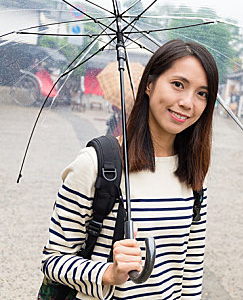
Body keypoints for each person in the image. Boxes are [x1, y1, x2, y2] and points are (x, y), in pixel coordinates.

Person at [40, 40, 218, 299]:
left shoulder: (193, 173)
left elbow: (190, 274)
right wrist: (108, 273)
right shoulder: (95, 164)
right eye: (178, 84)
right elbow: (53, 261)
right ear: (149, 84)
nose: (187, 102)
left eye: (202, 93)